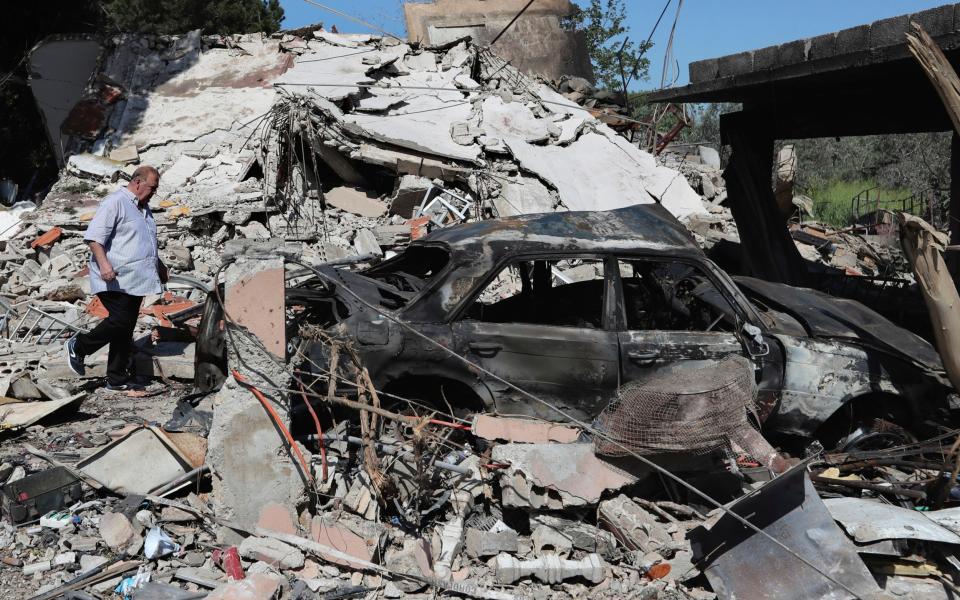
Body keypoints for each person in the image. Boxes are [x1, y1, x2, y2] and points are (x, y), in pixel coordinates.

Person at [64, 166, 168, 390]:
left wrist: (159, 265)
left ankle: (116, 378)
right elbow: (94, 238)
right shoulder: (116, 202)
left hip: (136, 280)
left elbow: (144, 243)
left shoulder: (144, 209)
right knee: (120, 321)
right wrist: (103, 264)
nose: (154, 192)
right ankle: (79, 346)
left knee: (125, 326)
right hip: (113, 278)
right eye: (153, 188)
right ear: (138, 182)